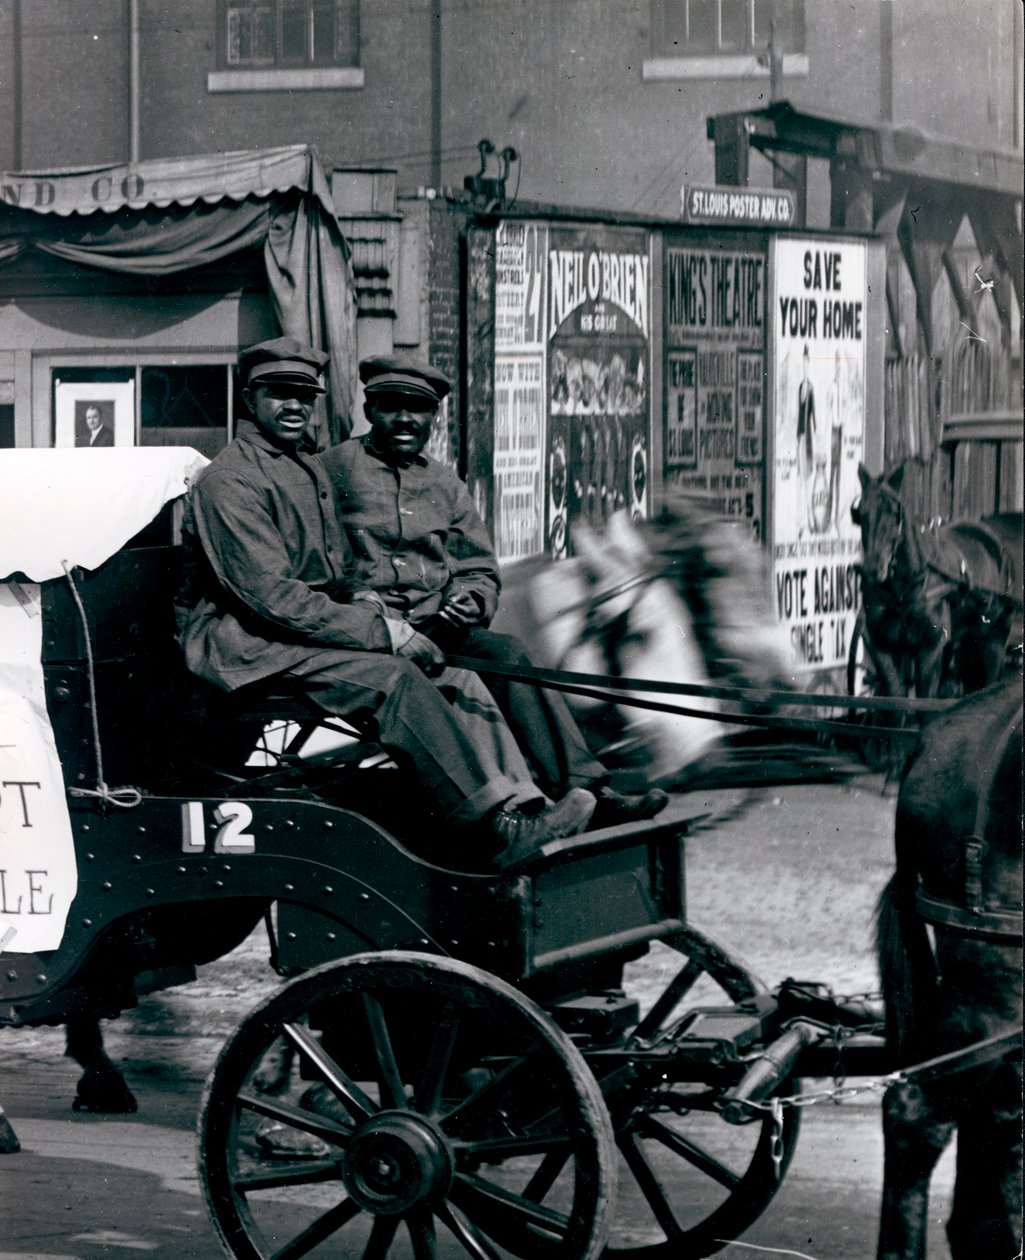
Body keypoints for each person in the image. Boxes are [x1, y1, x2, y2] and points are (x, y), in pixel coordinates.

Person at [174, 337, 596, 870]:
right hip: (246, 648)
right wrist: (384, 632)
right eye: (279, 393)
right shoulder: (230, 481)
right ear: (249, 399)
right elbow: (271, 597)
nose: (294, 405)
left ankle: (525, 808)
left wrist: (363, 596)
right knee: (395, 680)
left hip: (294, 633)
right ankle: (493, 829)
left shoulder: (302, 466)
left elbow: (334, 569)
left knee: (455, 673)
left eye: (305, 395)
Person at [320, 353, 669, 829]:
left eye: (417, 408)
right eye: (391, 405)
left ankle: (589, 792)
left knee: (510, 654)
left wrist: (470, 599)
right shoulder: (331, 471)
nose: (405, 419)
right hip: (371, 638)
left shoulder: (445, 484)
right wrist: (358, 600)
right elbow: (315, 558)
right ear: (369, 409)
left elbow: (478, 568)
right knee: (454, 685)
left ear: (433, 416)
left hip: (437, 629)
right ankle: (512, 812)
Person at [795, 344, 816, 535]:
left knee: (807, 480)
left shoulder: (810, 388)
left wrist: (815, 438)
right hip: (800, 437)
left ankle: (809, 520)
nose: (805, 367)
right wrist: (797, 438)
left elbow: (813, 416)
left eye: (807, 364)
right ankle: (802, 521)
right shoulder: (800, 387)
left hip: (808, 438)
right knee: (800, 481)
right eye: (803, 364)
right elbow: (799, 414)